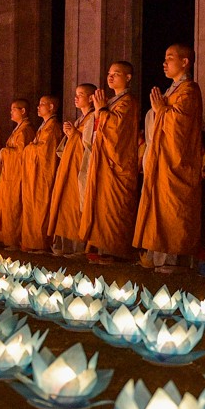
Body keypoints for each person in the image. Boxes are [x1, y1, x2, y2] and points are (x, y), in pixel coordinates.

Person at [134, 44, 203, 272]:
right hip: (161, 160)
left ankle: (177, 258)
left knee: (175, 207)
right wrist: (159, 110)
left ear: (185, 62)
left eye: (170, 58)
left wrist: (162, 110)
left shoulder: (189, 90)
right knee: (160, 207)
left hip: (177, 162)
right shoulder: (170, 91)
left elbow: (180, 126)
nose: (165, 63)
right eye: (165, 58)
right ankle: (158, 254)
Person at [81, 63, 140, 262]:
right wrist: (100, 111)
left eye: (116, 74)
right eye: (109, 74)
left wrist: (102, 110)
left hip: (118, 162)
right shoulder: (113, 101)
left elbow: (116, 129)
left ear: (128, 77)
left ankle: (115, 249)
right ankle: (100, 245)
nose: (111, 77)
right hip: (104, 160)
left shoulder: (128, 102)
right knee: (102, 204)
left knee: (114, 205)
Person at [47, 84, 98, 256]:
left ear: (91, 98)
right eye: (75, 94)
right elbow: (66, 147)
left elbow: (91, 145)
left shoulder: (92, 117)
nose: (76, 98)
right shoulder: (79, 120)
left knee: (77, 207)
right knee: (66, 207)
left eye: (81, 94)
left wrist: (74, 135)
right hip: (70, 169)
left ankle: (79, 245)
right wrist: (71, 135)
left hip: (81, 170)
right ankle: (65, 245)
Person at [18, 96, 61, 252]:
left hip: (43, 175)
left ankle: (40, 243)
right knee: (32, 207)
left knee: (41, 207)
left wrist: (29, 148)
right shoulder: (44, 126)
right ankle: (31, 242)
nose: (38, 107)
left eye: (41, 104)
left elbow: (43, 151)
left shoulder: (53, 127)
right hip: (34, 174)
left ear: (51, 106)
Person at [0, 99, 34, 247]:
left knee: (14, 207)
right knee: (8, 206)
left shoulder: (25, 130)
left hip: (17, 175)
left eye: (14, 109)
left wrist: (5, 151)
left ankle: (15, 240)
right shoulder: (18, 129)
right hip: (9, 174)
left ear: (23, 111)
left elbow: (21, 154)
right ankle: (8, 239)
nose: (11, 112)